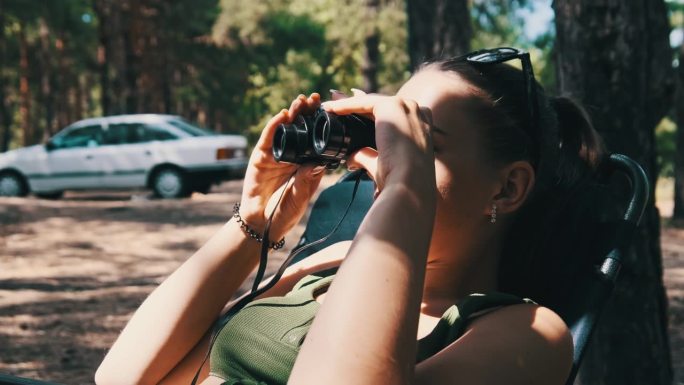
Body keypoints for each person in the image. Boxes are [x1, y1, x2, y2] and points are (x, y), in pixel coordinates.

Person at [95, 47, 605, 385]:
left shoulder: (529, 334)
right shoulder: (331, 264)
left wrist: (406, 186)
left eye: (420, 140)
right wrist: (252, 221)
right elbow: (121, 377)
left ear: (508, 187)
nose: (384, 157)